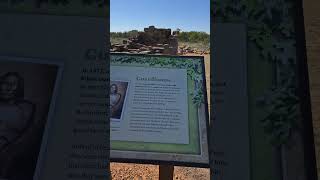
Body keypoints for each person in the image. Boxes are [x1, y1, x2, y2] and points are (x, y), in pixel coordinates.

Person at [0, 72, 36, 179]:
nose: (8, 87)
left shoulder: (26, 108)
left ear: (19, 87)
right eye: (5, 83)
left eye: (13, 84)